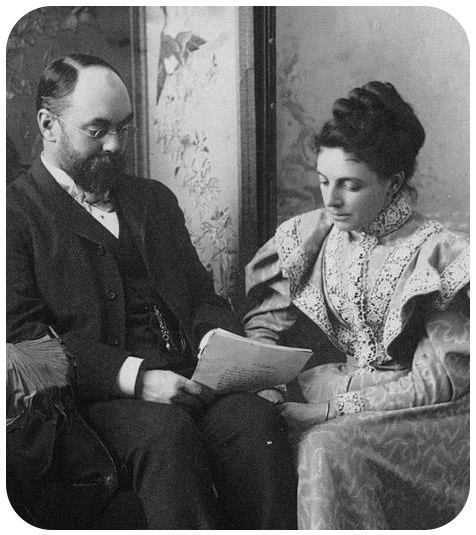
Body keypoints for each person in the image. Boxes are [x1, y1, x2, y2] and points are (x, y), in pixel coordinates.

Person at [6, 53, 297, 530]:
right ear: (48, 124)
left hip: (191, 380)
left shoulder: (154, 200)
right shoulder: (15, 214)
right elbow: (25, 341)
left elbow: (202, 298)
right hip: (90, 404)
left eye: (124, 128)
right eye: (98, 130)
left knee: (254, 421)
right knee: (166, 432)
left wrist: (216, 346)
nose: (115, 144)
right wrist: (138, 379)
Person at [244, 81, 469, 529]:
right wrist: (266, 383)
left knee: (324, 446)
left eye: (350, 185)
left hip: (422, 412)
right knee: (249, 428)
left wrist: (329, 412)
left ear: (393, 183)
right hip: (330, 387)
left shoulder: (439, 254)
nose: (331, 200)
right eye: (324, 181)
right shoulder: (311, 235)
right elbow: (263, 327)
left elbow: (439, 382)